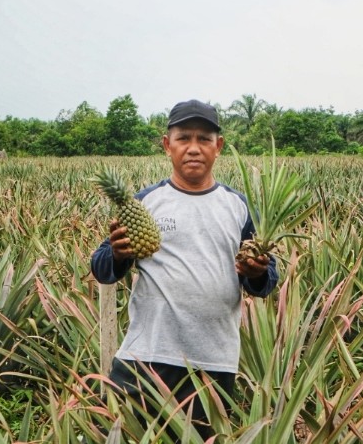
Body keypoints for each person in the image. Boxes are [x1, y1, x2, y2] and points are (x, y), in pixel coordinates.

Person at [91, 99, 279, 441]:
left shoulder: (237, 206)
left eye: (204, 139)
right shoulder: (145, 202)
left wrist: (256, 271)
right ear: (168, 145)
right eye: (183, 138)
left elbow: (264, 283)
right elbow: (103, 269)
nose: (194, 148)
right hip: (145, 358)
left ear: (218, 147)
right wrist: (118, 255)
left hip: (214, 363)